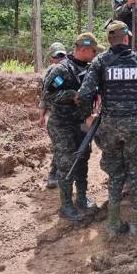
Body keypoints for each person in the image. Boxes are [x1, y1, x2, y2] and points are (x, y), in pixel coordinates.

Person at [77, 20, 137, 237]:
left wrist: (87, 116)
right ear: (127, 38)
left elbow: (84, 93)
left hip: (109, 125)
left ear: (109, 40)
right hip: (133, 124)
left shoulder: (100, 61)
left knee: (115, 173)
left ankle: (113, 224)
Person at [42, 32, 104, 222]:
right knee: (66, 163)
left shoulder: (90, 68)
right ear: (83, 49)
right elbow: (48, 95)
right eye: (93, 51)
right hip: (62, 125)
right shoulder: (61, 70)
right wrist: (72, 95)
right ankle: (66, 206)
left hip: (81, 124)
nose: (95, 54)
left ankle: (82, 198)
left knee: (82, 159)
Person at [39, 41, 67, 189]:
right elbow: (46, 94)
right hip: (57, 116)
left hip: (71, 116)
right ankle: (53, 174)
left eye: (62, 55)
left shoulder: (70, 68)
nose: (60, 58)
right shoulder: (54, 72)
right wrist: (42, 115)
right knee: (60, 147)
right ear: (52, 57)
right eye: (57, 56)